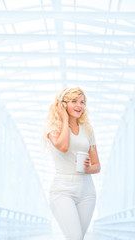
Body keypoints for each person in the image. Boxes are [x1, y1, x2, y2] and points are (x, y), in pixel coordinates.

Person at [44, 86, 100, 240]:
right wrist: (65, 119)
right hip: (63, 190)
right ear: (62, 105)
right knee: (75, 237)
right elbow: (64, 146)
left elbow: (97, 165)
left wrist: (88, 168)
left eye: (82, 102)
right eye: (74, 101)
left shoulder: (87, 130)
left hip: (87, 191)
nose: (79, 105)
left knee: (77, 238)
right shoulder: (53, 129)